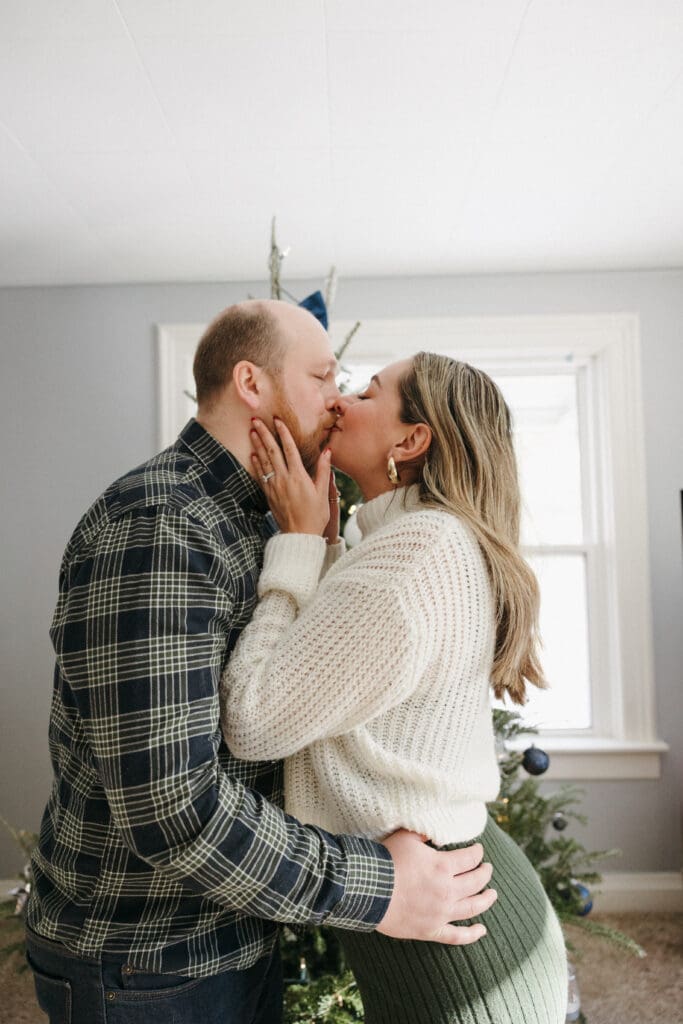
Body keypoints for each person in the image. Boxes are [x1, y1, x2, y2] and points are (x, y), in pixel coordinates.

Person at [25, 302, 497, 1024]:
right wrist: (379, 888)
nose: (337, 400)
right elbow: (171, 808)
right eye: (322, 377)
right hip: (147, 961)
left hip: (235, 934)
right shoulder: (162, 524)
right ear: (251, 383)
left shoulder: (262, 518)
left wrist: (310, 544)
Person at [221, 352, 569, 1024]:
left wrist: (296, 543)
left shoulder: (414, 554)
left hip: (456, 948)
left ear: (410, 441)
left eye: (366, 393)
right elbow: (343, 663)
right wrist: (324, 544)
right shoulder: (421, 540)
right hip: (453, 895)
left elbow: (253, 718)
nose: (340, 401)